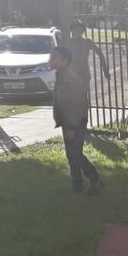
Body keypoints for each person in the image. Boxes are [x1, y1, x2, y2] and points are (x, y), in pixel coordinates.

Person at [49, 46, 103, 195]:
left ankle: (95, 178)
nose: (50, 60)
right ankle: (77, 184)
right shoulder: (60, 75)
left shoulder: (71, 78)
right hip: (66, 122)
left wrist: (71, 127)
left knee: (75, 154)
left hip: (75, 122)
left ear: (65, 61)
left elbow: (78, 105)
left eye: (54, 58)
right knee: (71, 154)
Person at [66, 20, 111, 87]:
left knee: (82, 95)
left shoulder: (87, 42)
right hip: (70, 75)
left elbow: (100, 54)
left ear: (83, 31)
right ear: (71, 30)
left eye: (80, 31)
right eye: (76, 30)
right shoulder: (67, 43)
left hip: (84, 74)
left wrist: (105, 69)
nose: (78, 33)